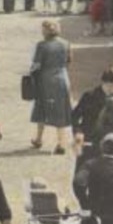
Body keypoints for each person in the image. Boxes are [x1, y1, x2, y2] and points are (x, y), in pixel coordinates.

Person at [27, 19, 74, 155]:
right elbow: (69, 61)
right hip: (63, 78)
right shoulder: (66, 43)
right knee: (61, 109)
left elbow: (36, 64)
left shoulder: (42, 45)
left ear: (45, 31)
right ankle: (61, 142)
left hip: (46, 80)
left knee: (41, 107)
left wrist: (31, 74)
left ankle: (39, 139)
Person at [72, 67, 113, 150]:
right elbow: (74, 116)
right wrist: (78, 132)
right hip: (91, 138)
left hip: (111, 139)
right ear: (110, 83)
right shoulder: (89, 96)